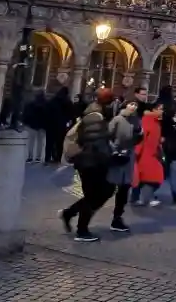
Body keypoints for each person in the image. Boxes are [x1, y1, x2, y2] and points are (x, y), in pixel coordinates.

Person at [59, 88, 115, 242]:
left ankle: (70, 213)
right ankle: (81, 231)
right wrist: (110, 156)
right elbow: (95, 141)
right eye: (111, 99)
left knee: (104, 191)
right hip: (90, 161)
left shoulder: (98, 113)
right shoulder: (94, 116)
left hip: (93, 160)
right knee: (93, 195)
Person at [106, 100, 141, 232]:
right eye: (131, 104)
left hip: (128, 157)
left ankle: (117, 218)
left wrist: (139, 134)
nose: (133, 107)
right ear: (125, 105)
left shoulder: (137, 121)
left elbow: (137, 139)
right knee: (108, 189)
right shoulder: (117, 119)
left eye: (135, 105)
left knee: (124, 189)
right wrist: (115, 149)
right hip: (116, 157)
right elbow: (108, 136)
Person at [133, 100, 166, 206]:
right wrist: (137, 152)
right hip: (145, 154)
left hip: (152, 153)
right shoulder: (148, 121)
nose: (162, 111)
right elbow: (142, 138)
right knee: (153, 176)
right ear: (154, 110)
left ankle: (139, 198)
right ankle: (147, 198)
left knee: (145, 177)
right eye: (160, 109)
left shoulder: (155, 120)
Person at [22, 89, 48, 164]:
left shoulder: (31, 104)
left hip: (32, 126)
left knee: (31, 142)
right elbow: (49, 116)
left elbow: (27, 114)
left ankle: (30, 157)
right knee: (40, 142)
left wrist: (26, 122)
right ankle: (38, 157)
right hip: (42, 126)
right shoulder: (47, 104)